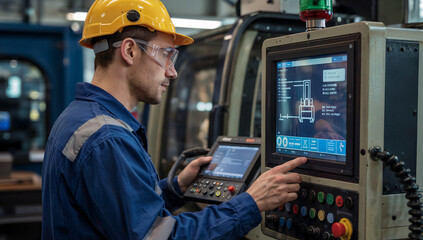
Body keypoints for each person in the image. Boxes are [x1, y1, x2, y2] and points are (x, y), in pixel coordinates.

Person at [41, 0, 306, 239]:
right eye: (167, 54)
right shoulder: (107, 138)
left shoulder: (79, 117)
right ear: (130, 51)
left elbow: (118, 212)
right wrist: (251, 202)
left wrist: (175, 188)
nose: (173, 72)